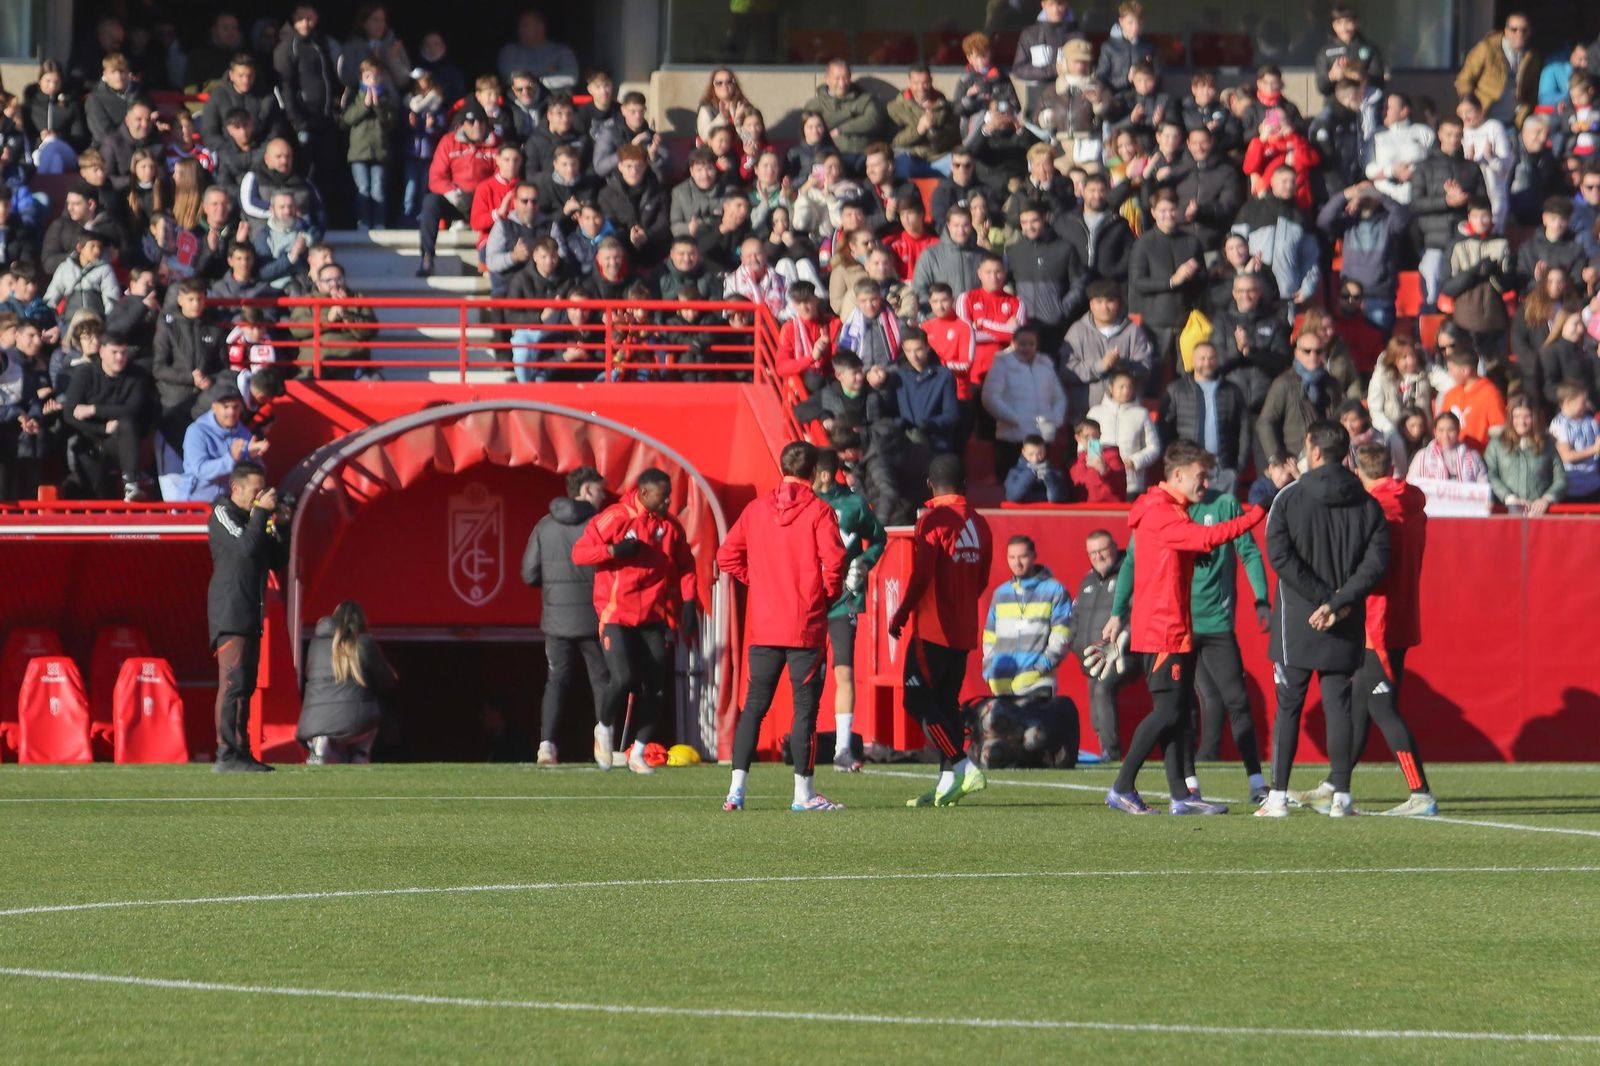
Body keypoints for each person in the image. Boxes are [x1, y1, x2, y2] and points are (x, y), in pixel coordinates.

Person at [1102, 440, 1266, 815]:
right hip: (1164, 630)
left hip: (1173, 627)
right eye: (1199, 476)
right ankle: (1123, 785)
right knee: (1167, 711)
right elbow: (1207, 537)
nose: (1205, 484)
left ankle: (1180, 795)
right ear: (1177, 475)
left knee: (1177, 711)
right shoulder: (1163, 513)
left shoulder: (1166, 510)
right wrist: (1257, 512)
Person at [1292, 444, 1437, 817]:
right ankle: (1336, 783)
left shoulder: (1378, 511)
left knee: (1382, 706)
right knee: (1358, 705)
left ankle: (1420, 792)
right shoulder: (1411, 504)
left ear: (1358, 471)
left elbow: (1366, 566)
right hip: (1397, 618)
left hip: (1379, 623)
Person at [1256, 422, 1389, 818]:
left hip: (1299, 617)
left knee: (1289, 705)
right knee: (1339, 705)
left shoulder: (1289, 498)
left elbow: (1279, 556)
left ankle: (1277, 797)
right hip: (1344, 618)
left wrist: (1322, 600)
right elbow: (1377, 562)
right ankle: (1342, 797)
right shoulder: (1367, 502)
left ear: (1313, 450)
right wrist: (1340, 601)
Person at [718, 442, 847, 812]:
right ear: (814, 470)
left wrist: (758, 582)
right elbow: (835, 563)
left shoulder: (756, 509)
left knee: (754, 706)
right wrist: (823, 596)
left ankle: (735, 791)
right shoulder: (820, 511)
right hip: (804, 625)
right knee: (804, 708)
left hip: (765, 623)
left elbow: (726, 556)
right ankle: (803, 794)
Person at [570, 468, 698, 775]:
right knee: (623, 677)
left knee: (655, 688)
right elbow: (580, 552)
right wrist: (613, 550)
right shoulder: (617, 516)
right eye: (662, 495)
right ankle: (603, 728)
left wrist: (689, 604)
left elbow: (686, 566)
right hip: (616, 614)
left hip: (653, 616)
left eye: (670, 494)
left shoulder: (671, 528)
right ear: (643, 493)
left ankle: (638, 752)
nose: (668, 500)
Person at [888, 454, 993, 807]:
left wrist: (901, 613)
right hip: (963, 629)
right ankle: (947, 780)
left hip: (933, 630)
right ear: (964, 484)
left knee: (915, 699)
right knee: (946, 702)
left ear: (930, 485)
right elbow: (981, 580)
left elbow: (922, 575)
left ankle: (964, 765)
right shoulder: (980, 524)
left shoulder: (933, 520)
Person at [521, 467, 611, 767]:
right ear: (585, 490)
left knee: (556, 681)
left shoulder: (544, 526)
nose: (603, 496)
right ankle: (605, 744)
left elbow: (528, 573)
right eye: (599, 490)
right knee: (601, 679)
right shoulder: (599, 524)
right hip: (595, 616)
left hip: (556, 621)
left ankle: (546, 746)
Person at [807, 449, 885, 773]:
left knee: (844, 671)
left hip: (842, 599)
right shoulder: (803, 503)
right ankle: (805, 743)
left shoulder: (852, 504)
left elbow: (878, 538)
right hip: (809, 598)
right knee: (808, 675)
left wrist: (864, 564)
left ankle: (842, 749)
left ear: (824, 474)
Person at [207, 460, 287, 772]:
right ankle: (226, 753)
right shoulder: (222, 513)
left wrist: (283, 525)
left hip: (250, 611)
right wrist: (262, 514)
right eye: (255, 492)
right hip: (231, 612)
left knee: (246, 685)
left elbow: (274, 559)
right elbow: (244, 548)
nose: (259, 498)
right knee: (233, 682)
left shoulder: (253, 518)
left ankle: (241, 751)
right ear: (236, 488)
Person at [297, 600, 396, 764]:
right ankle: (360, 754)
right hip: (357, 721)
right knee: (377, 713)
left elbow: (309, 674)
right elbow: (387, 681)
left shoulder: (316, 644)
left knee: (335, 748)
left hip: (314, 721)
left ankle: (321, 746)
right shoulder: (365, 642)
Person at [61, 330, 155, 501]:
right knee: (95, 490)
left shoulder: (137, 375)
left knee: (127, 423)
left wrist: (94, 409)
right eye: (114, 352)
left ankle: (131, 483)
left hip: (122, 442)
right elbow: (69, 414)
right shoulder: (85, 374)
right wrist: (102, 427)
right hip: (89, 440)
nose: (120, 358)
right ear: (101, 351)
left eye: (124, 353)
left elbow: (133, 409)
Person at [982, 531, 1073, 707]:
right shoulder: (1000, 593)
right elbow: (989, 636)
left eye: (1022, 556)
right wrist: (990, 669)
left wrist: (1043, 665)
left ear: (1033, 556)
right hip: (1002, 685)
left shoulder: (1054, 590)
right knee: (1005, 735)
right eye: (1012, 557)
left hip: (1037, 682)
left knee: (1034, 735)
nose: (1017, 562)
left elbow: (1063, 632)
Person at [1069, 530, 1132, 759]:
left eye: (1102, 550)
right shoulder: (1088, 580)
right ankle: (1105, 747)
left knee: (1102, 689)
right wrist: (1074, 642)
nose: (1098, 556)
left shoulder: (1129, 573)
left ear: (1115, 547)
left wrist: (1121, 641)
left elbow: (1138, 612)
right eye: (1092, 552)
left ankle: (1112, 752)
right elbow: (1075, 616)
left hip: (1125, 652)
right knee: (1095, 696)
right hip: (1094, 656)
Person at [1160, 342, 1250, 495]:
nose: (1207, 362)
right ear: (1193, 361)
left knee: (1225, 517)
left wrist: (1238, 467)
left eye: (1211, 358)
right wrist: (1175, 461)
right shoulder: (1176, 390)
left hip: (1223, 469)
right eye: (1202, 358)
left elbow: (1244, 430)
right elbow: (1164, 428)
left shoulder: (1232, 391)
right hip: (1188, 470)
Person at [982, 325, 1068, 480]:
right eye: (1022, 343)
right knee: (1011, 484)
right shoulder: (1002, 364)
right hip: (1013, 437)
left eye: (1031, 344)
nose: (1027, 348)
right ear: (1013, 343)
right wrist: (1014, 419)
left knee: (1041, 484)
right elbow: (990, 397)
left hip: (1042, 436)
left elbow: (1059, 398)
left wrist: (1055, 419)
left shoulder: (1046, 365)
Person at [1257, 328, 1337, 468]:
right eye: (1307, 351)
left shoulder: (1331, 383)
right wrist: (1277, 459)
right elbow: (1265, 422)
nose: (1313, 356)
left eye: (1318, 351)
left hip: (1327, 456)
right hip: (1295, 459)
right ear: (1297, 353)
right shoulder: (1284, 383)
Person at [178, 385, 266, 501]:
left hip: (227, 504)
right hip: (195, 504)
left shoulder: (245, 433)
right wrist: (232, 458)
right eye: (226, 407)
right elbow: (200, 470)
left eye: (235, 407)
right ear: (214, 407)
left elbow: (255, 475)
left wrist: (253, 458)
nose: (231, 412)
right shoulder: (196, 431)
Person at [1086, 368, 1161, 498]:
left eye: (1129, 387)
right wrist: (1097, 465)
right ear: (1111, 387)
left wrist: (1135, 461)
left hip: (1132, 482)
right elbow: (1085, 445)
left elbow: (1154, 447)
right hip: (1102, 482)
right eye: (1121, 387)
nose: (1126, 391)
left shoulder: (1141, 414)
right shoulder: (1095, 413)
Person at [1455, 13, 1537, 129]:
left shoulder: (1532, 58)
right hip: (1484, 118)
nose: (1519, 34)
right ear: (1506, 31)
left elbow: (1531, 92)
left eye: (1524, 30)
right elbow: (1464, 79)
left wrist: (1524, 113)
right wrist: (1468, 102)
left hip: (1513, 122)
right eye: (1514, 30)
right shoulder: (1486, 48)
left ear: (1529, 32)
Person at [1487, 397, 1566, 512]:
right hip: (1506, 511)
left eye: (1527, 417)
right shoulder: (1496, 445)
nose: (1522, 422)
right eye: (1517, 417)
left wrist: (1546, 499)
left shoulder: (1547, 445)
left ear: (1535, 418)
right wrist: (1509, 498)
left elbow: (1561, 478)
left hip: (1538, 514)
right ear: (1510, 418)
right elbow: (1490, 474)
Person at [1437, 348, 1507, 453]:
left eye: (1451, 369)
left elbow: (1499, 430)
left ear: (1465, 371)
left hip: (1479, 459)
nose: (1449, 373)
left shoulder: (1490, 394)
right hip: (1451, 455)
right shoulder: (1451, 394)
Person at [1550, 383, 1600, 503]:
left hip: (1594, 486)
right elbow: (1566, 456)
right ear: (1568, 402)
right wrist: (1594, 449)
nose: (1587, 404)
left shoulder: (1591, 422)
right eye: (1582, 401)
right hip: (1571, 489)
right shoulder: (1560, 424)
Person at [1004, 432, 1070, 504]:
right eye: (1031, 454)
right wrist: (1032, 472)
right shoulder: (1015, 472)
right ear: (1023, 452)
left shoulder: (1054, 473)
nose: (1035, 458)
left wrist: (1049, 476)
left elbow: (1059, 499)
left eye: (1039, 453)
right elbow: (1013, 497)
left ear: (1045, 451)